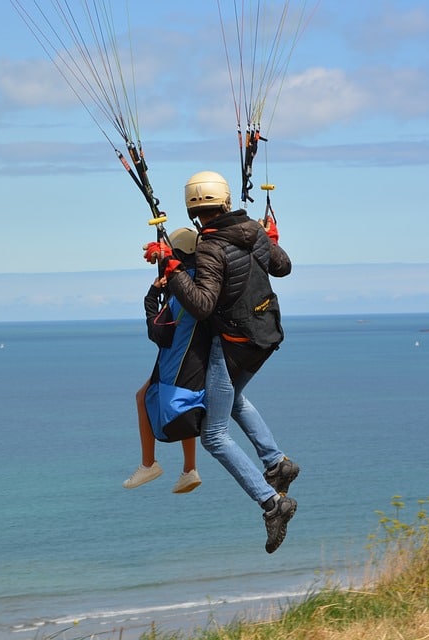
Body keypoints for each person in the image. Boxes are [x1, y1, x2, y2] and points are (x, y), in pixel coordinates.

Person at [143, 170, 299, 554]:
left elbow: (201, 305)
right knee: (234, 400)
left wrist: (175, 269)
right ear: (226, 200)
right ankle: (276, 461)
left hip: (233, 345)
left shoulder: (210, 246)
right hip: (265, 337)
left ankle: (272, 502)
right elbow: (282, 266)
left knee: (213, 435)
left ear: (194, 211)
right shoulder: (252, 229)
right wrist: (268, 240)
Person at [124, 227, 210, 494]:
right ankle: (189, 469)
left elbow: (159, 333)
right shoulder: (201, 281)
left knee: (143, 397)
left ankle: (149, 463)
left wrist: (151, 297)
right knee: (185, 404)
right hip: (197, 357)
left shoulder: (182, 292)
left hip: (175, 359)